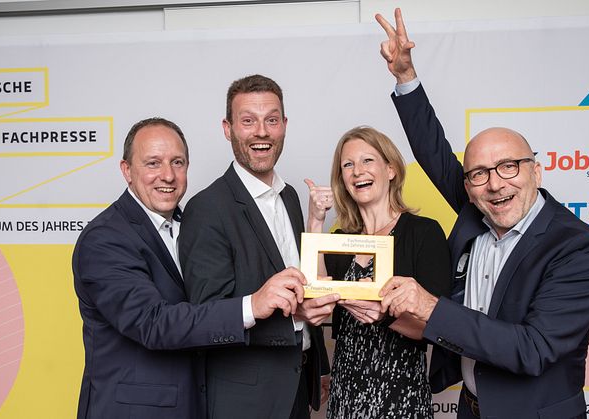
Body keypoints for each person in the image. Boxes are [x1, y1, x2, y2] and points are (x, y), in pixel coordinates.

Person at [375, 9, 589, 419]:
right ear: (468, 185)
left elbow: (532, 349)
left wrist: (430, 308)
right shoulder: (477, 209)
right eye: (480, 173)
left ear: (536, 171)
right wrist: (405, 77)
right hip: (470, 409)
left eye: (510, 167)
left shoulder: (581, 249)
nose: (496, 183)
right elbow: (434, 151)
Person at [72, 117, 307, 419]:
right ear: (127, 171)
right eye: (153, 164)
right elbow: (153, 322)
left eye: (178, 163)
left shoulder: (189, 224)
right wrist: (251, 305)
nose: (167, 175)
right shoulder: (105, 239)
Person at [179, 75, 339, 419]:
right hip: (245, 401)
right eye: (248, 121)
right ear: (228, 128)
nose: (261, 132)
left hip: (297, 388)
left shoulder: (291, 197)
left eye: (272, 120)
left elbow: (303, 289)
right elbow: (207, 317)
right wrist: (292, 315)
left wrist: (319, 365)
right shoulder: (207, 208)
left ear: (284, 125)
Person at [305, 126, 452, 418]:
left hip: (400, 395)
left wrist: (384, 316)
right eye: (348, 165)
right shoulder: (339, 238)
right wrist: (315, 222)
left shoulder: (423, 233)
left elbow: (437, 327)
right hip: (345, 395)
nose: (357, 171)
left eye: (367, 160)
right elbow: (315, 300)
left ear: (391, 169)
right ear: (342, 180)